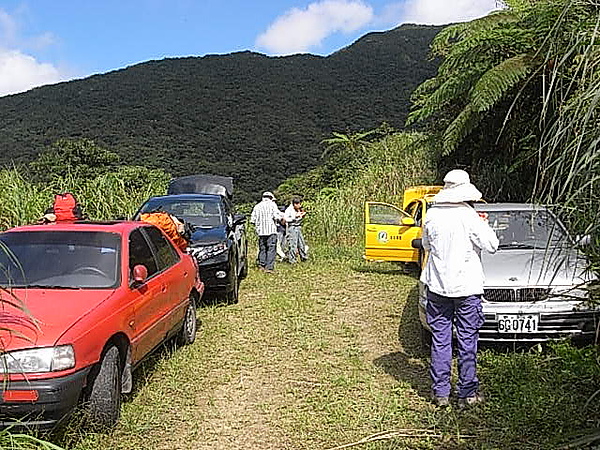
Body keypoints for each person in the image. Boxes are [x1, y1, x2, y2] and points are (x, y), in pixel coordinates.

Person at [420, 169, 498, 408]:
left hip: (437, 287)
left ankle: (441, 393)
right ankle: (467, 393)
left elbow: (426, 245)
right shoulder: (471, 217)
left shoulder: (431, 216)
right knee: (467, 340)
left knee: (440, 340)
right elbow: (492, 245)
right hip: (466, 288)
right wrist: (484, 225)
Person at [250, 191, 284, 273]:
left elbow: (252, 220)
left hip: (261, 232)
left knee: (263, 248)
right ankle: (269, 268)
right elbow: (276, 216)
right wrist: (282, 218)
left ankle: (262, 265)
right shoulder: (272, 205)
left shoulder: (257, 206)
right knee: (271, 249)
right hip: (271, 230)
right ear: (271, 198)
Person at [284, 196, 308, 264]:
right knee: (293, 244)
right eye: (298, 204)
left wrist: (302, 215)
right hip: (292, 228)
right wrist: (295, 217)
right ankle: (292, 260)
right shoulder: (289, 210)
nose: (300, 205)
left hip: (298, 227)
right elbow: (286, 219)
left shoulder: (299, 209)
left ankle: (304, 257)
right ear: (294, 204)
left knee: (301, 243)